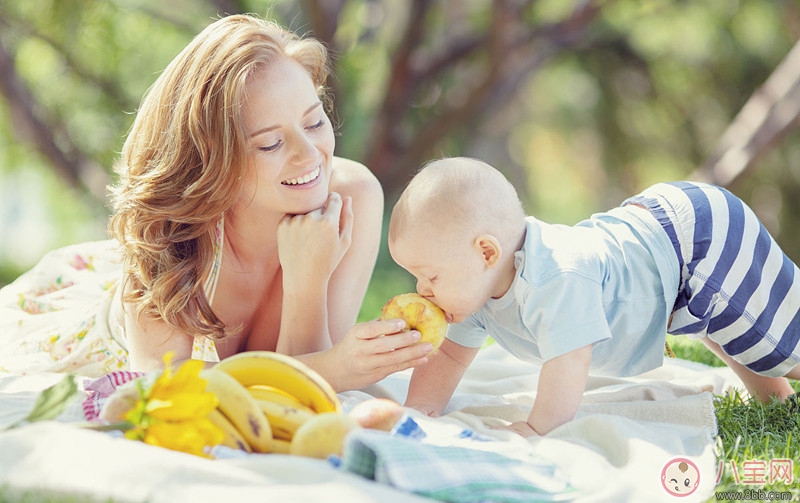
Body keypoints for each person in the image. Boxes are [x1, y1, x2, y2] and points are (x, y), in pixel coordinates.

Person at [0, 14, 432, 391]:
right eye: (270, 144)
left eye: (315, 120)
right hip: (96, 336)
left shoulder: (352, 197)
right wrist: (334, 368)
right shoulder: (171, 236)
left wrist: (308, 282)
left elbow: (307, 387)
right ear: (212, 161)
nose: (309, 154)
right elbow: (163, 383)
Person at [387, 156, 800, 437]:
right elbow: (449, 356)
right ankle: (777, 401)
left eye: (430, 275)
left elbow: (569, 360)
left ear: (486, 252)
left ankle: (782, 380)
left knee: (778, 338)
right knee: (725, 323)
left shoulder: (555, 278)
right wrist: (418, 412)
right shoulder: (477, 291)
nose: (422, 291)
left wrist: (535, 429)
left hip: (697, 239)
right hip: (660, 252)